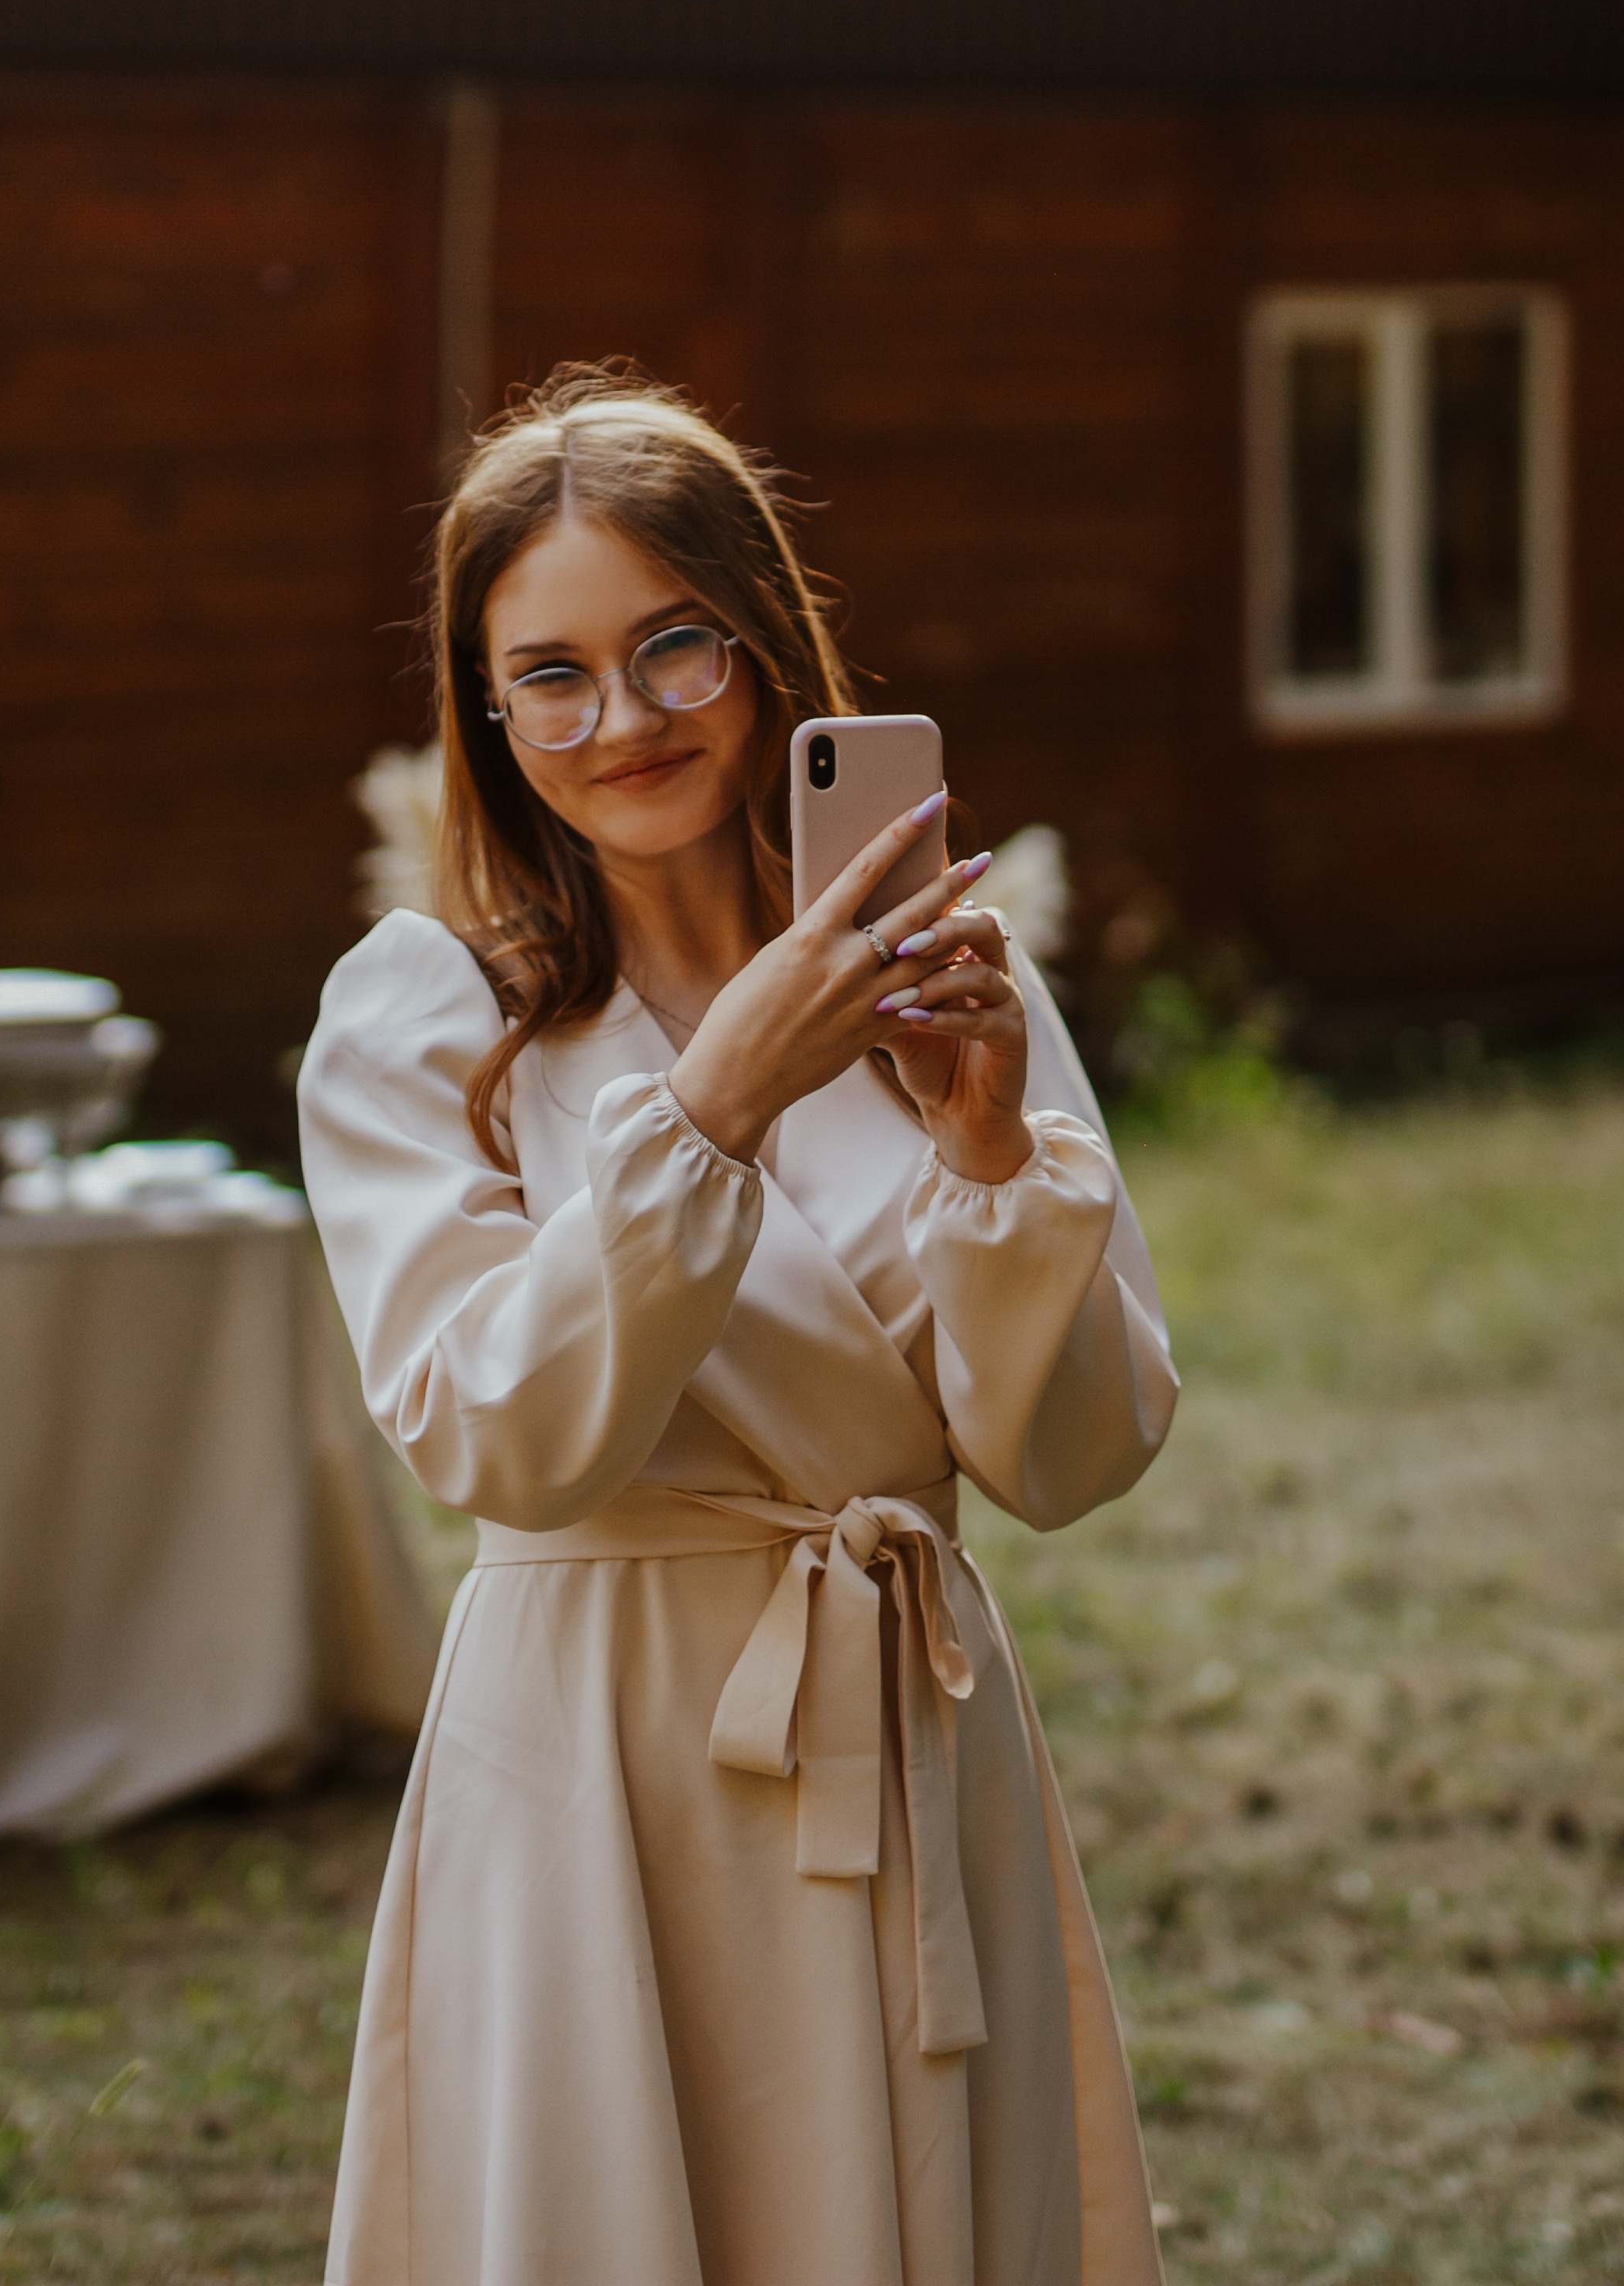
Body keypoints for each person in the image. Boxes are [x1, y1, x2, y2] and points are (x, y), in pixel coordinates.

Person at [299, 366, 1179, 2286]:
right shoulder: (424, 1014)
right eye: (548, 675)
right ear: (485, 712)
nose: (620, 720)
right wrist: (709, 1110)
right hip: (601, 1750)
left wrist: (985, 1158)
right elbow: (490, 1435)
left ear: (765, 646)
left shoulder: (945, 978)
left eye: (672, 646)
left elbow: (1075, 1458)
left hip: (907, 1719)